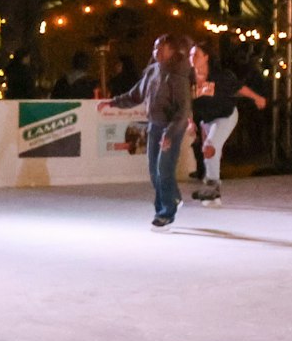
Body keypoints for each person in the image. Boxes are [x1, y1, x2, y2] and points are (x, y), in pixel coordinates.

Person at [103, 34, 194, 229]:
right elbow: (136, 95)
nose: (156, 52)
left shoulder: (178, 76)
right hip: (155, 125)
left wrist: (169, 134)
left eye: (162, 48)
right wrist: (112, 102)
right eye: (155, 48)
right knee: (154, 172)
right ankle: (174, 198)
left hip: (172, 128)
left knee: (164, 169)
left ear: (173, 51)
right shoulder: (152, 71)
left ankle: (165, 212)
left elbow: (183, 110)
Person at [187, 46, 268, 206]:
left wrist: (257, 98)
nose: (192, 57)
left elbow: (239, 87)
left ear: (206, 57)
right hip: (207, 119)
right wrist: (190, 123)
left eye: (196, 54)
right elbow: (186, 104)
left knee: (209, 146)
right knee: (211, 153)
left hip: (226, 116)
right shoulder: (188, 79)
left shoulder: (219, 76)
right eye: (190, 54)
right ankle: (214, 196)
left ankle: (211, 185)